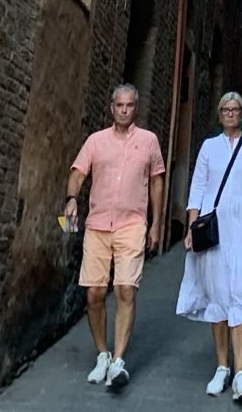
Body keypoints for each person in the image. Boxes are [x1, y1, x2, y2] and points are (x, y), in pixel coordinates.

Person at [178, 91, 242, 402]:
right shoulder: (209, 147)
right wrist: (192, 227)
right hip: (215, 227)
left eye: (235, 110)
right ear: (220, 114)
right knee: (218, 295)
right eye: (226, 110)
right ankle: (222, 366)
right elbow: (197, 187)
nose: (231, 114)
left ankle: (241, 372)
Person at [66, 83, 165, 390]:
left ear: (136, 108)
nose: (124, 110)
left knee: (125, 290)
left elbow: (157, 182)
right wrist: (71, 198)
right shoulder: (96, 141)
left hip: (132, 225)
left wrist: (156, 224)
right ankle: (102, 355)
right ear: (112, 108)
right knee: (94, 294)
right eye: (119, 105)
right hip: (97, 225)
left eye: (129, 105)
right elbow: (78, 172)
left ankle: (119, 360)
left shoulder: (148, 141)